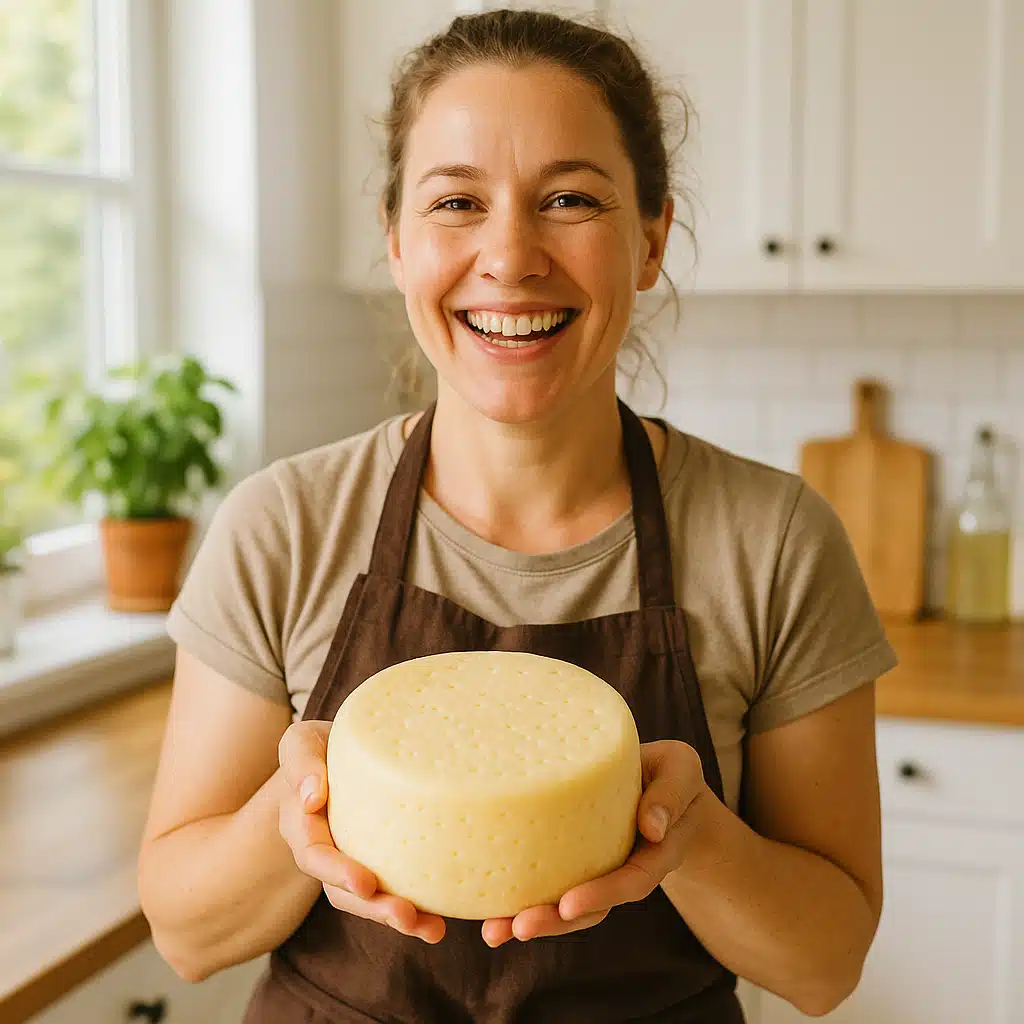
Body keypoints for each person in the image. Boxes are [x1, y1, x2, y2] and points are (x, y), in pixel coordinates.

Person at [138, 9, 897, 1022]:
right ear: (397, 242)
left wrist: (693, 836)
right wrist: (301, 811)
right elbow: (186, 933)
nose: (509, 255)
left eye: (570, 198)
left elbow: (825, 963)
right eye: (456, 201)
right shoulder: (284, 526)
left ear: (650, 239)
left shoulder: (775, 541)